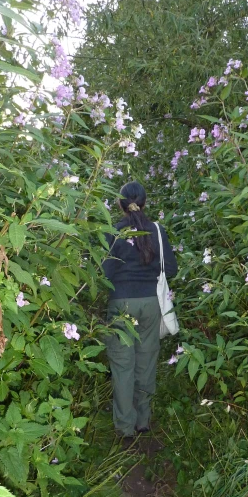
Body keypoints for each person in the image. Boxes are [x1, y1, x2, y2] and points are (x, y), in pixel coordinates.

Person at [103, 181, 178, 439]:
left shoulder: (112, 232)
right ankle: (143, 421)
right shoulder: (157, 231)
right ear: (145, 202)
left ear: (120, 204)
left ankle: (125, 427)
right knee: (146, 363)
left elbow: (104, 273)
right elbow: (171, 269)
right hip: (150, 304)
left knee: (123, 366)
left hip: (121, 303)